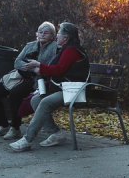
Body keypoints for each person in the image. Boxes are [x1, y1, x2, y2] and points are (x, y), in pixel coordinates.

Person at [10, 22, 90, 152]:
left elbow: (58, 70)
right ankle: (56, 134)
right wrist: (40, 68)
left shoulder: (71, 50)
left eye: (59, 33)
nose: (57, 35)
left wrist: (39, 65)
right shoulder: (66, 48)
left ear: (66, 37)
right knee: (36, 99)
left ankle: (27, 139)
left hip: (74, 91)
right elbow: (57, 69)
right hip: (64, 88)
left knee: (45, 102)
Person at [0, 22, 58, 140]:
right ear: (37, 34)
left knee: (15, 94)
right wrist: (33, 67)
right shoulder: (30, 45)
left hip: (38, 81)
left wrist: (37, 69)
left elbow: (51, 66)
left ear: (52, 35)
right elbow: (17, 62)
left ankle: (15, 128)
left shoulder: (55, 47)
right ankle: (2, 124)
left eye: (46, 33)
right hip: (20, 76)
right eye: (40, 32)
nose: (42, 35)